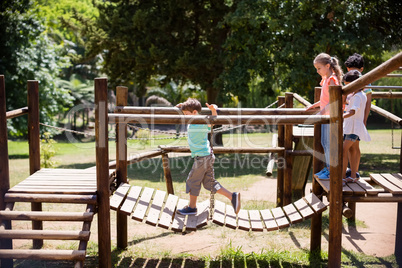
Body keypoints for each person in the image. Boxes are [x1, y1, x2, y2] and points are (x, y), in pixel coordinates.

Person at [175, 98, 241, 215]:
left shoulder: (201, 121)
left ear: (195, 112)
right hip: (205, 156)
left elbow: (213, 121)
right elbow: (175, 110)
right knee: (209, 183)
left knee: (192, 180)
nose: (185, 116)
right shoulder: (192, 120)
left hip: (203, 158)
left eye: (186, 114)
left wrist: (213, 111)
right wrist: (181, 106)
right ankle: (232, 196)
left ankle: (192, 207)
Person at [306, 53, 344, 179]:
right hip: (326, 117)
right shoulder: (326, 80)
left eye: (319, 68)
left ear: (327, 66)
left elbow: (334, 101)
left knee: (329, 144)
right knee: (324, 143)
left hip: (331, 117)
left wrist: (321, 112)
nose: (317, 71)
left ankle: (331, 170)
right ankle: (328, 168)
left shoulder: (332, 80)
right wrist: (314, 106)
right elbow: (325, 99)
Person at [344, 53, 372, 178]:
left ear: (361, 70)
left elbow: (368, 103)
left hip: (357, 119)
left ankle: (353, 172)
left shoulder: (364, 83)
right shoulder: (348, 80)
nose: (354, 73)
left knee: (353, 146)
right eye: (350, 70)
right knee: (351, 146)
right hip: (350, 121)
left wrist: (364, 120)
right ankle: (352, 172)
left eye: (356, 71)